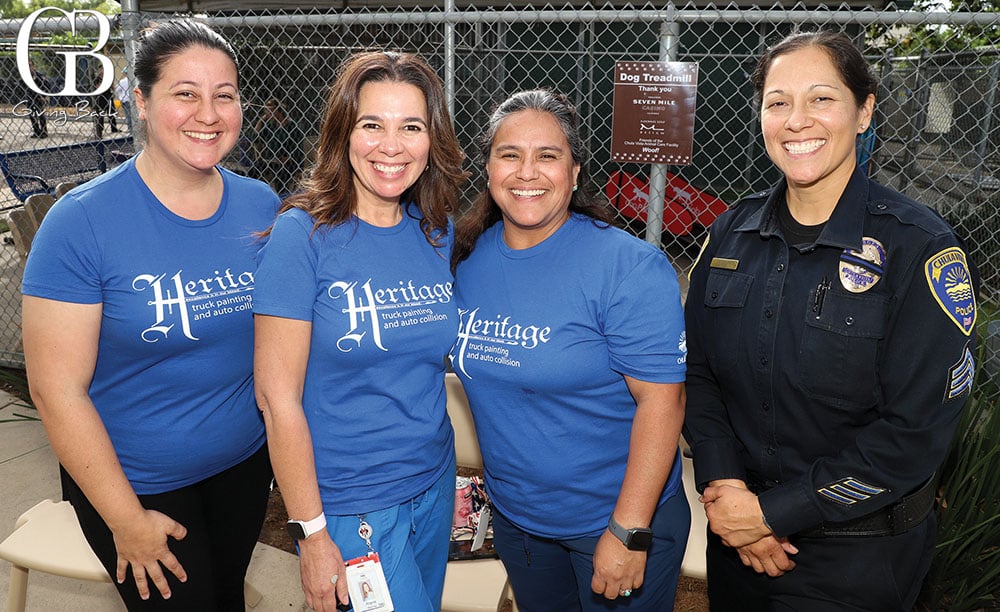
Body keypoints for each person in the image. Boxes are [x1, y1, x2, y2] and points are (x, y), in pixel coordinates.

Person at [683, 30, 977, 612]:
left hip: (857, 558)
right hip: (738, 541)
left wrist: (772, 514)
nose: (797, 121)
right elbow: (698, 373)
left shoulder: (919, 248)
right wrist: (725, 490)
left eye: (821, 99)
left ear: (864, 111)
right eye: (778, 102)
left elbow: (913, 433)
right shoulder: (730, 235)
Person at [21, 19, 279, 610]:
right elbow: (55, 387)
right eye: (184, 93)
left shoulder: (260, 205)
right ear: (140, 101)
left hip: (242, 466)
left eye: (225, 94)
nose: (208, 113)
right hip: (137, 485)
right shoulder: (82, 222)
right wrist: (125, 518)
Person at [450, 89, 689, 610]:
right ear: (488, 169)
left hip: (615, 521)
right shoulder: (464, 259)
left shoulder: (626, 267)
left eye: (548, 156)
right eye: (509, 154)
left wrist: (628, 531)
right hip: (520, 521)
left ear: (576, 171)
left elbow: (662, 403)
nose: (526, 172)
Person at [253, 51, 467, 612]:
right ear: (344, 132)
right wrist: (312, 532)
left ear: (432, 140)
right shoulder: (301, 237)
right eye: (372, 124)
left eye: (411, 127)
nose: (391, 146)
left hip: (433, 480)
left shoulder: (434, 233)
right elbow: (277, 399)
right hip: (352, 504)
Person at [249, 98, 303, 196]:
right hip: (271, 160)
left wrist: (289, 158)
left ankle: (282, 198)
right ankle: (256, 194)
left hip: (288, 162)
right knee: (253, 171)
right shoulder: (271, 126)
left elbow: (298, 149)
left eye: (269, 111)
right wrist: (261, 121)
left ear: (276, 111)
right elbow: (255, 138)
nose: (267, 114)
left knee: (281, 174)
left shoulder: (291, 126)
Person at [92, 64, 120, 139]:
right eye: (102, 69)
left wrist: (112, 89)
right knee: (100, 115)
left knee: (112, 113)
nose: (103, 71)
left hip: (109, 96)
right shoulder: (97, 79)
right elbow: (98, 87)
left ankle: (114, 128)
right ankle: (99, 131)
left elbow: (112, 86)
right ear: (99, 70)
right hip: (100, 98)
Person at [115, 66, 134, 131]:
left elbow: (117, 89)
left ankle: (130, 128)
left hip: (125, 100)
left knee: (128, 115)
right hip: (134, 99)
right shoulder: (134, 80)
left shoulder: (122, 81)